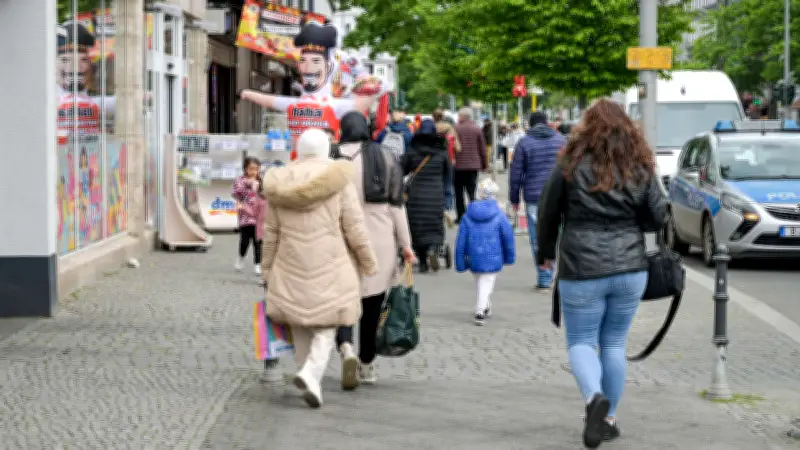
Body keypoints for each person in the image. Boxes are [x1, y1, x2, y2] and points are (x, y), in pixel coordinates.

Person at [536, 99, 668, 448]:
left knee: (581, 341)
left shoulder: (570, 162)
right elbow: (657, 216)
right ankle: (608, 420)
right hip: (630, 267)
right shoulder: (639, 165)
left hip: (582, 265)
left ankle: (594, 398)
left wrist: (545, 253)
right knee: (614, 343)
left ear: (587, 127)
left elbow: (549, 211)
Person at [260, 128, 378, 408]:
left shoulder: (280, 183)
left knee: (300, 321)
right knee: (329, 321)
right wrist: (368, 260)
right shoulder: (338, 182)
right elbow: (355, 228)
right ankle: (311, 373)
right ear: (326, 149)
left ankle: (308, 375)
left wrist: (266, 269)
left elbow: (271, 233)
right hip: (331, 264)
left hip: (290, 264)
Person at [334, 111, 416, 389]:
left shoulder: (333, 156)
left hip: (341, 233)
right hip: (379, 235)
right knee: (372, 305)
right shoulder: (385, 156)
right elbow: (396, 205)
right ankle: (366, 363)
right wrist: (406, 245)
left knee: (343, 298)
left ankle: (345, 345)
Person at [509, 111, 566, 292]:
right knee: (561, 236)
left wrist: (514, 199)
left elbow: (516, 174)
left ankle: (544, 278)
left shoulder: (524, 143)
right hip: (560, 197)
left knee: (538, 239)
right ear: (547, 122)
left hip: (534, 197)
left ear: (530, 124)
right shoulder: (560, 141)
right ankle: (561, 274)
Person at [454, 179, 515, 326]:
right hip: (493, 256)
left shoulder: (467, 216)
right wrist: (509, 257)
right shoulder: (499, 215)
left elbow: (460, 241)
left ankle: (486, 305)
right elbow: (508, 238)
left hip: (473, 256)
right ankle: (480, 310)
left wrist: (460, 262)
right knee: (486, 283)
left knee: (480, 282)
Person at [402, 119, 451, 273]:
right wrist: (448, 199)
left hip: (416, 196)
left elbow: (401, 170)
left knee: (417, 227)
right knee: (435, 224)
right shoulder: (442, 153)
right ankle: (434, 248)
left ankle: (422, 262)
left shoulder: (412, 151)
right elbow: (448, 177)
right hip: (435, 195)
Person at [453, 107, 488, 222]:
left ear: (463, 117)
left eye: (459, 115)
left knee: (459, 193)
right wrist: (484, 165)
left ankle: (461, 217)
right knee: (472, 192)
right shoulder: (477, 129)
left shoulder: (455, 129)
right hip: (473, 166)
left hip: (458, 166)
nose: (458, 117)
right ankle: (473, 216)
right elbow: (483, 149)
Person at [232, 157, 264, 275]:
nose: (254, 171)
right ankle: (241, 257)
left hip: (258, 217)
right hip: (245, 216)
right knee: (245, 241)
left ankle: (257, 264)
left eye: (256, 169)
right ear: (245, 169)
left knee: (258, 242)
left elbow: (265, 194)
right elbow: (236, 193)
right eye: (251, 169)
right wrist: (249, 184)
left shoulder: (261, 180)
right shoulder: (240, 180)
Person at [433, 108, 461, 224]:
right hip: (449, 160)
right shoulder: (450, 128)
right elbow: (458, 148)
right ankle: (447, 207)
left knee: (435, 183)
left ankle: (436, 206)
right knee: (448, 184)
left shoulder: (430, 128)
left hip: (434, 160)